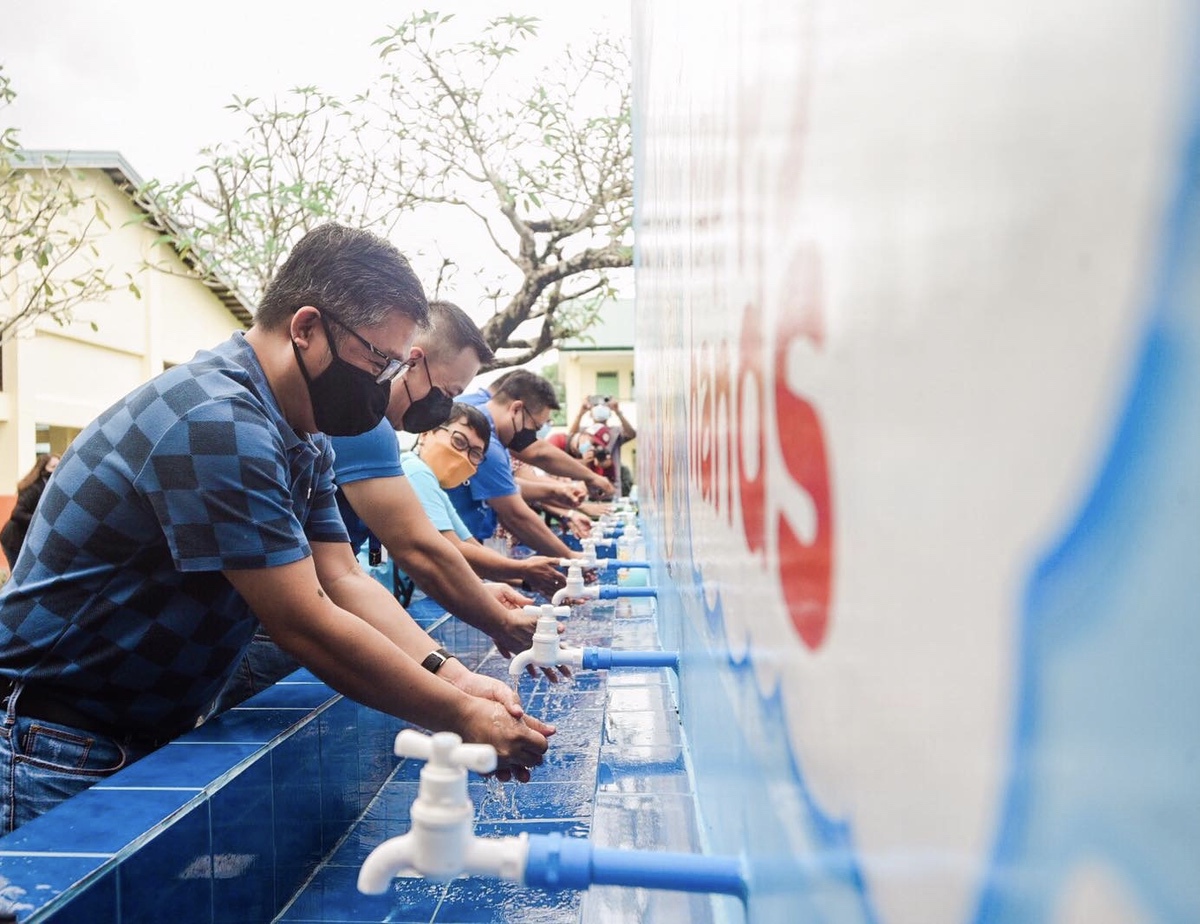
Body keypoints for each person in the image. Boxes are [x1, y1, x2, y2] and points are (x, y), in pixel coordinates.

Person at [0, 224, 550, 833]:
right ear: (307, 328)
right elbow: (303, 620)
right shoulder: (215, 421)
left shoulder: (303, 435)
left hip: (137, 731)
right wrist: (459, 715)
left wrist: (458, 678)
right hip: (51, 740)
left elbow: (342, 579)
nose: (386, 382)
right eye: (379, 360)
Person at [212, 301, 569, 711]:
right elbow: (420, 548)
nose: (442, 408)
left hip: (278, 620)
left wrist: (471, 631)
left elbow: (344, 571)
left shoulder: (338, 433)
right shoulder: (363, 429)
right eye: (447, 394)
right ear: (411, 361)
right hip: (268, 629)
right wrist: (497, 623)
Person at [404, 403, 572, 591]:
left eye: (475, 453)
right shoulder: (415, 471)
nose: (463, 456)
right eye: (459, 441)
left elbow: (472, 548)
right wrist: (524, 568)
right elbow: (452, 548)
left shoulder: (436, 488)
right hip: (395, 587)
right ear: (426, 433)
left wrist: (529, 583)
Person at [447, 371, 594, 559]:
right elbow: (515, 515)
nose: (532, 438)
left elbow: (505, 487)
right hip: (449, 549)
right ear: (516, 409)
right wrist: (569, 557)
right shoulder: (485, 442)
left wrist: (555, 491)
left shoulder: (490, 434)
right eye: (535, 428)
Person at [0, 453, 59, 570]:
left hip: (27, 540)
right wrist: (41, 520)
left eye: (59, 466)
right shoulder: (34, 488)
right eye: (53, 467)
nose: (56, 470)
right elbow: (17, 514)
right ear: (43, 469)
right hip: (14, 540)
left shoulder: (49, 486)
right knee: (19, 573)